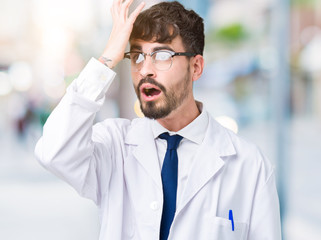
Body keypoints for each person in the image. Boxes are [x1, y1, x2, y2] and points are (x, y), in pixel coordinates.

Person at [34, 1, 281, 239]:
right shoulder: (115, 145)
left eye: (162, 55)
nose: (145, 70)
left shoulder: (250, 166)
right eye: (137, 56)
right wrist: (108, 57)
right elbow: (54, 152)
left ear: (195, 67)